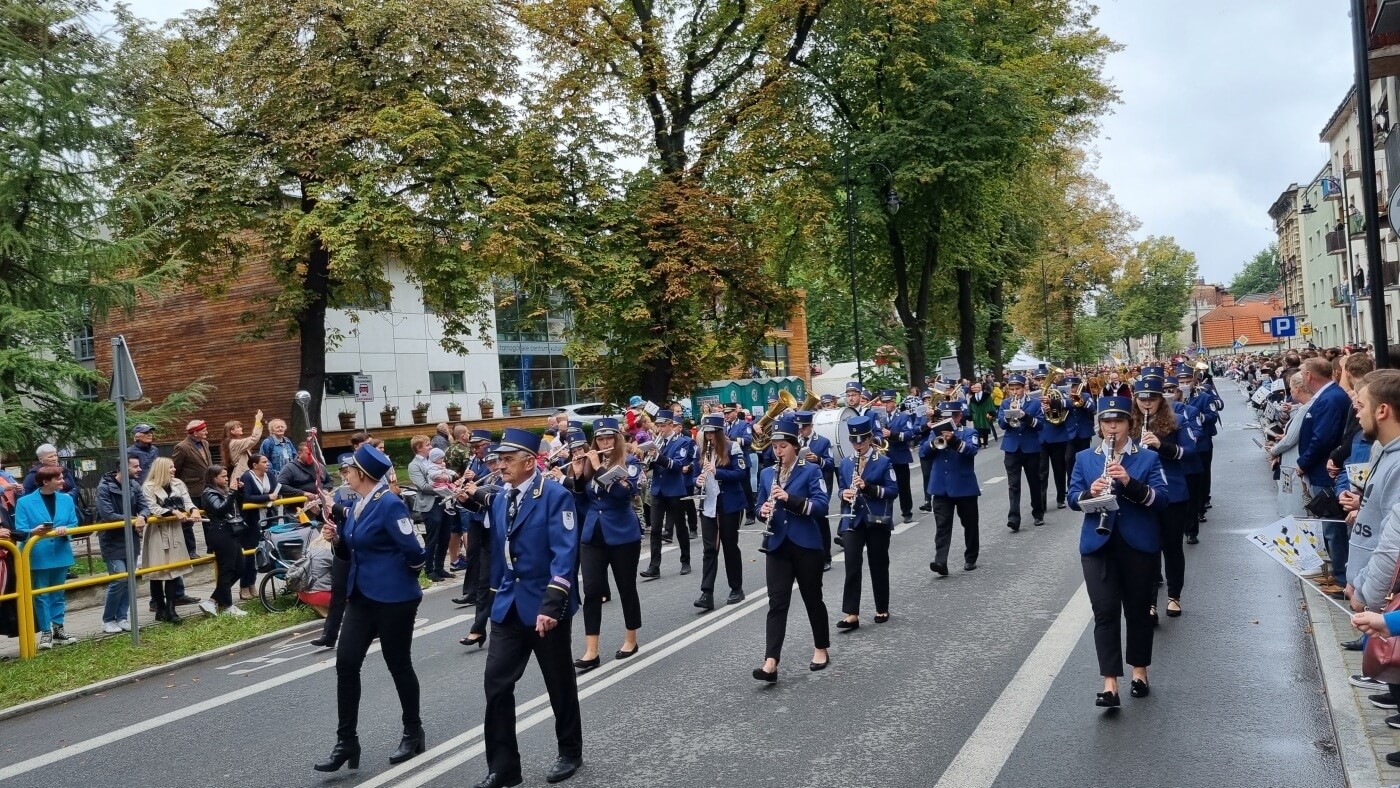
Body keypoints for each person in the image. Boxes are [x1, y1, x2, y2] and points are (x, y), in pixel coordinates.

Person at [473, 429, 583, 788]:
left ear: (529, 461)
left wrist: (553, 604)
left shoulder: (554, 496)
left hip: (544, 607)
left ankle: (569, 750)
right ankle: (504, 768)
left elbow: (564, 555)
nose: (499, 465)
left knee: (558, 681)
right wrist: (490, 603)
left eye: (507, 459)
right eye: (498, 459)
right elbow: (501, 558)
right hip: (508, 607)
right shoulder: (502, 498)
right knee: (497, 685)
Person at [315, 443, 429, 773]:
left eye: (348, 471)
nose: (344, 476)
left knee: (398, 664)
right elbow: (351, 547)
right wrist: (336, 538)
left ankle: (413, 731)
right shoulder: (359, 504)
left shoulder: (389, 504)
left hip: (394, 599)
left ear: (363, 474)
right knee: (346, 663)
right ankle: (346, 741)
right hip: (362, 597)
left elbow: (415, 552)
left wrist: (398, 577)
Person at [1068, 395, 1168, 708]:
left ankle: (1140, 671)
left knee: (1138, 612)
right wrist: (1091, 492)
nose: (1112, 427)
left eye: (1119, 421)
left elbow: (1162, 499)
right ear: (1099, 425)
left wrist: (1129, 482)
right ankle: (1109, 682)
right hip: (1098, 545)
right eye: (1107, 421)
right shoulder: (1085, 458)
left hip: (1138, 544)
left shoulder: (1148, 458)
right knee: (1105, 612)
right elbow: (1072, 497)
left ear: (1130, 424)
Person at [752, 415, 831, 682]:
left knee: (812, 598)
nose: (778, 452)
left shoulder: (810, 471)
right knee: (777, 602)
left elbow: (821, 505)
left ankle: (821, 648)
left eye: (783, 446)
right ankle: (770, 661)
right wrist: (763, 511)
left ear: (794, 446)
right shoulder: (766, 473)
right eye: (774, 447)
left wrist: (791, 499)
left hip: (806, 544)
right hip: (777, 545)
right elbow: (759, 506)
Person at [574, 418, 643, 668]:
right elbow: (582, 500)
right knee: (592, 590)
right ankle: (591, 650)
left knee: (626, 587)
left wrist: (598, 468)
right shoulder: (592, 464)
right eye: (600, 439)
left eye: (609, 438)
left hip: (622, 533)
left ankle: (631, 638)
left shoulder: (630, 462)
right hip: (593, 534)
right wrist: (579, 475)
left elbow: (623, 493)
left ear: (617, 439)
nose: (605, 442)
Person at [1133, 373, 1197, 621]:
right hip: (1140, 491)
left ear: (1161, 400)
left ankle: (1174, 596)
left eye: (1152, 399)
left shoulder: (1178, 421)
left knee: (1172, 547)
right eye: (1142, 399)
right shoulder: (1131, 424)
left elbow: (1190, 452)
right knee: (1147, 548)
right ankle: (1149, 602)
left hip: (1172, 492)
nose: (1146, 404)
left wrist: (1161, 445)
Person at [834, 416, 896, 630]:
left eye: (861, 440)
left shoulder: (883, 461)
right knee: (852, 564)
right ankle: (852, 613)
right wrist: (845, 494)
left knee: (878, 563)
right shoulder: (845, 463)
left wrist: (868, 487)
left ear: (869, 438)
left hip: (876, 518)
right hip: (852, 519)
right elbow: (841, 489)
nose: (857, 445)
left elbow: (893, 490)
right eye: (854, 441)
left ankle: (882, 607)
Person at [15, 466, 80, 649]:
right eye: (59, 479)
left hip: (60, 552)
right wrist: (33, 531)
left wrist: (65, 531)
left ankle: (58, 629)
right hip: (37, 554)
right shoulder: (25, 502)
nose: (63, 482)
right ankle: (45, 632)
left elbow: (74, 523)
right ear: (46, 481)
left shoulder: (66, 499)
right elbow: (20, 528)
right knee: (41, 594)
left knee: (58, 593)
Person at [694, 414, 749, 611]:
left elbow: (741, 474)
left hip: (729, 503)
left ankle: (737, 588)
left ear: (719, 432)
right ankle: (706, 593)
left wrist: (718, 472)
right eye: (706, 433)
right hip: (708, 504)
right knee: (709, 549)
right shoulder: (700, 450)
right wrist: (697, 480)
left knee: (730, 546)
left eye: (711, 433)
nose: (708, 437)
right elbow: (693, 474)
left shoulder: (732, 447)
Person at [921, 403, 981, 576]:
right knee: (942, 526)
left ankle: (971, 557)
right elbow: (923, 453)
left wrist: (954, 441)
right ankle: (941, 561)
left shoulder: (969, 433)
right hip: (941, 488)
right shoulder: (934, 433)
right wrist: (934, 442)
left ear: (959, 417)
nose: (949, 420)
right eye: (945, 417)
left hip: (964, 487)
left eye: (953, 416)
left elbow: (971, 451)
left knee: (969, 524)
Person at [94, 457, 150, 633]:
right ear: (122, 468)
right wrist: (135, 519)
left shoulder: (134, 486)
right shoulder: (104, 488)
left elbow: (145, 506)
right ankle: (108, 619)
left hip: (130, 538)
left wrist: (143, 516)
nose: (139, 469)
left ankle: (122, 617)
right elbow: (108, 514)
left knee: (130, 580)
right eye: (135, 466)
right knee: (119, 579)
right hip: (111, 540)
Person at [141, 457, 197, 624]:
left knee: (174, 572)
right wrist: (172, 512)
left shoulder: (178, 483)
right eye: (170, 467)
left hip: (175, 530)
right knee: (158, 572)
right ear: (161, 469)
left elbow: (187, 501)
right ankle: (160, 608)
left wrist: (193, 510)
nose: (173, 470)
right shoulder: (148, 486)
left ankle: (172, 609)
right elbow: (153, 508)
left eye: (173, 467)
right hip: (157, 532)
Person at [640, 411, 695, 579]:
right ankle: (654, 566)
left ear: (671, 425)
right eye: (658, 426)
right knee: (656, 529)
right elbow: (652, 466)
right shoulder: (657, 443)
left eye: (663, 426)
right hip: (658, 490)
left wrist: (657, 456)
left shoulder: (682, 442)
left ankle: (685, 561)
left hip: (674, 490)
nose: (660, 429)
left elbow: (677, 465)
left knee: (680, 526)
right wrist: (646, 463)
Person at [199, 465, 250, 617]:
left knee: (240, 568)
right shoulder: (209, 493)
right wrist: (233, 492)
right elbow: (221, 509)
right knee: (227, 569)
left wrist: (239, 492)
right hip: (221, 533)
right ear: (213, 478)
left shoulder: (225, 491)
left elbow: (236, 508)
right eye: (223, 476)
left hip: (231, 531)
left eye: (227, 476)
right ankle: (227, 606)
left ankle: (212, 600)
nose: (226, 479)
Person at [997, 374, 1046, 531]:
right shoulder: (1005, 403)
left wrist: (1025, 416)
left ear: (1024, 388)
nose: (1014, 392)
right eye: (1012, 389)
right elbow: (1001, 425)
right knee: (1013, 485)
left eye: (1017, 389)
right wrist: (1009, 415)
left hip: (1031, 448)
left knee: (1034, 482)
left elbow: (1040, 425)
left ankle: (1038, 513)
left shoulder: (1035, 403)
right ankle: (1013, 518)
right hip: (1012, 448)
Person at [794, 410, 837, 569]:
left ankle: (826, 557)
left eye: (804, 427)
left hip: (819, 484)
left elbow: (831, 464)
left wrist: (818, 459)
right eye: (798, 428)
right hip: (800, 485)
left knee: (820, 520)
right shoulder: (794, 441)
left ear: (811, 425)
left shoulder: (823, 442)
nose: (801, 430)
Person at [408, 435, 454, 581]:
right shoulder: (414, 465)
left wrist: (448, 482)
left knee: (445, 535)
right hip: (430, 503)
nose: (431, 447)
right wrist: (442, 488)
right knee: (432, 537)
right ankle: (429, 569)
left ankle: (440, 567)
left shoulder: (433, 460)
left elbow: (446, 474)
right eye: (427, 445)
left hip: (444, 501)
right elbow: (422, 486)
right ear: (418, 448)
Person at [239, 453, 281, 600]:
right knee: (249, 553)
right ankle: (244, 585)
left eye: (267, 461)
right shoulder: (247, 477)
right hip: (251, 519)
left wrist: (272, 496)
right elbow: (247, 497)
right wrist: (267, 497)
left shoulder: (269, 474)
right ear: (255, 465)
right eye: (264, 462)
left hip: (267, 517)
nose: (267, 464)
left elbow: (275, 491)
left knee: (261, 552)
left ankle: (253, 583)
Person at [171, 420, 213, 563]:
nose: (206, 432)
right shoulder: (182, 447)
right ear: (195, 432)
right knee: (188, 522)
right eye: (204, 430)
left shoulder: (205, 444)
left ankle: (212, 548)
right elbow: (175, 469)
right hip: (191, 490)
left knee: (209, 520)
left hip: (207, 489)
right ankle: (190, 551)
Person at [878, 391, 917, 524]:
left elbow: (910, 434)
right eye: (883, 402)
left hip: (900, 456)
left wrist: (892, 434)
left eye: (888, 402)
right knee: (885, 487)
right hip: (884, 458)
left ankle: (907, 512)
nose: (886, 405)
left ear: (894, 402)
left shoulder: (903, 417)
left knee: (903, 486)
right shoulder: (879, 417)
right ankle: (886, 514)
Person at [220, 412, 264, 480]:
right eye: (238, 427)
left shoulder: (233, 442)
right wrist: (258, 420)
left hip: (243, 475)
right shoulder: (234, 443)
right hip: (241, 476)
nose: (241, 428)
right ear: (232, 431)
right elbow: (254, 438)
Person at [967, 382, 996, 448]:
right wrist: (970, 415)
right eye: (975, 387)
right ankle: (979, 443)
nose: (976, 389)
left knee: (985, 429)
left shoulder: (987, 395)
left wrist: (991, 413)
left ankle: (985, 442)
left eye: (977, 387)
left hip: (985, 414)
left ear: (980, 388)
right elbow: (970, 406)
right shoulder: (972, 397)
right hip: (976, 415)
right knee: (977, 429)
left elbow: (990, 404)